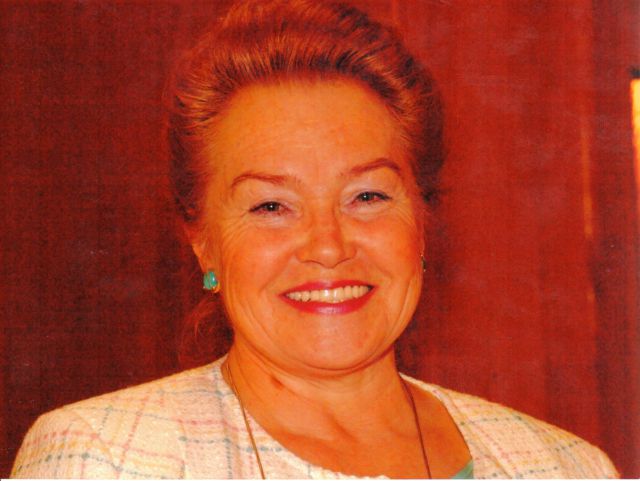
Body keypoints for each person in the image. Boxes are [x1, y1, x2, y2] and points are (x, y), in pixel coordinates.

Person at [12, 0, 618, 478]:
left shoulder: (567, 466)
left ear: (422, 220)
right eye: (271, 206)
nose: (328, 246)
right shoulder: (104, 457)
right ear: (203, 242)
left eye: (367, 197)